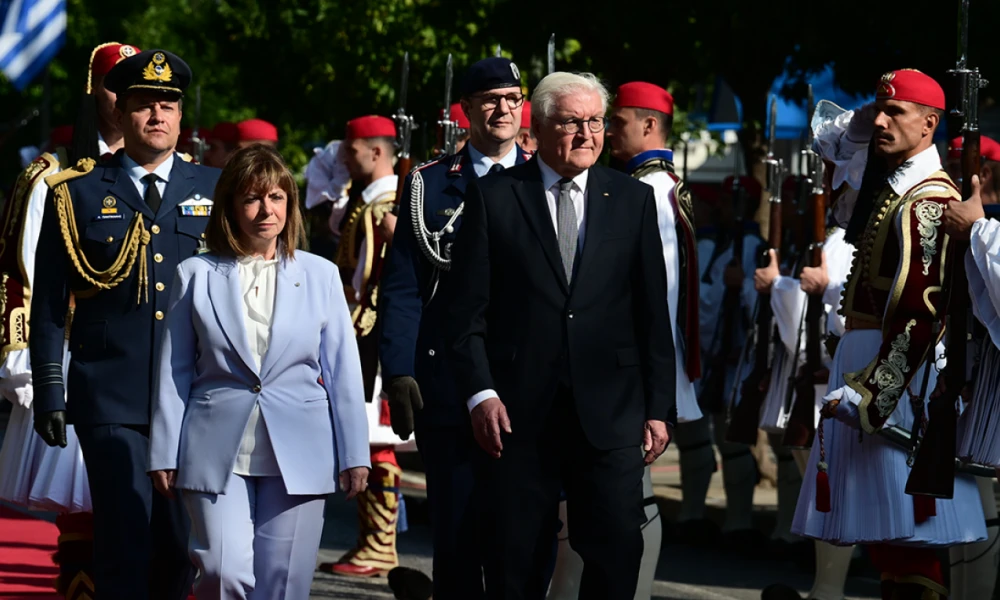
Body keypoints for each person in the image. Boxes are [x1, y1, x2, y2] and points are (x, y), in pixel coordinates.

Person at [444, 71, 675, 599]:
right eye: (573, 122)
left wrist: (659, 406)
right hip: (520, 414)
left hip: (611, 410)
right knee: (514, 559)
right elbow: (466, 315)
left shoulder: (633, 199)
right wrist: (481, 393)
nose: (587, 133)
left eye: (595, 121)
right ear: (542, 126)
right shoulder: (496, 197)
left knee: (617, 550)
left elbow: (651, 315)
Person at [28, 49, 221, 600]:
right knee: (124, 537)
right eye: (143, 105)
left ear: (182, 116)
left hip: (196, 395)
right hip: (111, 393)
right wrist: (50, 392)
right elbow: (48, 304)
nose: (157, 115)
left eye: (168, 105)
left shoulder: (217, 188)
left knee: (179, 544)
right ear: (121, 112)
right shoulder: (76, 192)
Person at [792, 69, 986, 599]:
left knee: (908, 545)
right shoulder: (897, 186)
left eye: (894, 111)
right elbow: (837, 149)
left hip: (894, 381)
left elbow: (919, 314)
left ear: (929, 124)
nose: (879, 120)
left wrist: (870, 392)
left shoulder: (926, 200)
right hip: (873, 365)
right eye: (878, 108)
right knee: (890, 546)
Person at [146, 144, 371, 599]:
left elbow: (344, 371)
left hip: (301, 448)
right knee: (221, 572)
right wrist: (163, 451)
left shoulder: (321, 275)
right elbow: (174, 370)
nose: (265, 210)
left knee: (282, 585)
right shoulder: (195, 274)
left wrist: (355, 453)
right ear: (230, 206)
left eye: (276, 198)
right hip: (215, 447)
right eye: (251, 198)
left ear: (290, 203)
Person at [380, 56, 531, 599]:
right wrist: (398, 370)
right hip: (448, 383)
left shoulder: (543, 179)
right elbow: (402, 287)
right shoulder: (429, 184)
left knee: (519, 546)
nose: (502, 109)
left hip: (524, 383)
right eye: (490, 99)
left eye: (512, 98)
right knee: (459, 540)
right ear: (464, 110)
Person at [0, 41, 139, 599]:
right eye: (115, 84)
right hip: (77, 354)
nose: (128, 99)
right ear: (93, 94)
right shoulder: (51, 176)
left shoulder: (173, 173)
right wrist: (22, 362)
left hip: (152, 358)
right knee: (86, 510)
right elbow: (19, 273)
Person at [546, 81, 694, 600]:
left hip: (621, 373)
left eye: (615, 122)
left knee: (629, 503)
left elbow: (659, 294)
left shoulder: (646, 189)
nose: (604, 134)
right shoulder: (642, 183)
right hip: (612, 371)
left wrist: (655, 389)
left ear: (649, 124)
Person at [321, 114, 412, 577]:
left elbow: (367, 285)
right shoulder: (369, 202)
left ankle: (380, 544)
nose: (343, 158)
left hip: (370, 335)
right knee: (369, 442)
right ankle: (373, 542)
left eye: (351, 151)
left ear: (376, 152)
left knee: (375, 444)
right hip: (366, 333)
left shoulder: (385, 207)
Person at [680, 175, 763, 550]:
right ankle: (692, 516)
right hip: (707, 357)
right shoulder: (718, 243)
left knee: (731, 441)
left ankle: (740, 522)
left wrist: (737, 286)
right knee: (695, 439)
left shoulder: (750, 245)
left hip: (733, 356)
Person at [938, 135, 1000, 600]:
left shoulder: (988, 226)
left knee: (979, 490)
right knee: (965, 489)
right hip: (973, 369)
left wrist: (980, 228)